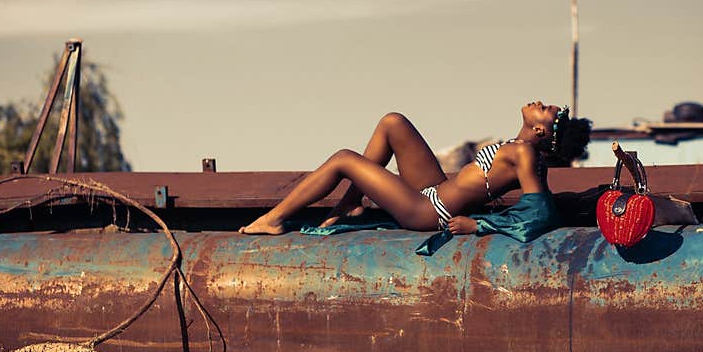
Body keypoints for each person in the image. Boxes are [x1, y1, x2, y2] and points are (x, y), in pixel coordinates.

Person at [239, 102, 592, 245]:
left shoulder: (526, 154)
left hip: (428, 211)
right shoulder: (518, 147)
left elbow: (539, 212)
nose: (540, 103)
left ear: (543, 132)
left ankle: (273, 219)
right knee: (393, 123)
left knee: (343, 159)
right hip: (434, 188)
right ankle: (351, 206)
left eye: (547, 110)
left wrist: (477, 225)